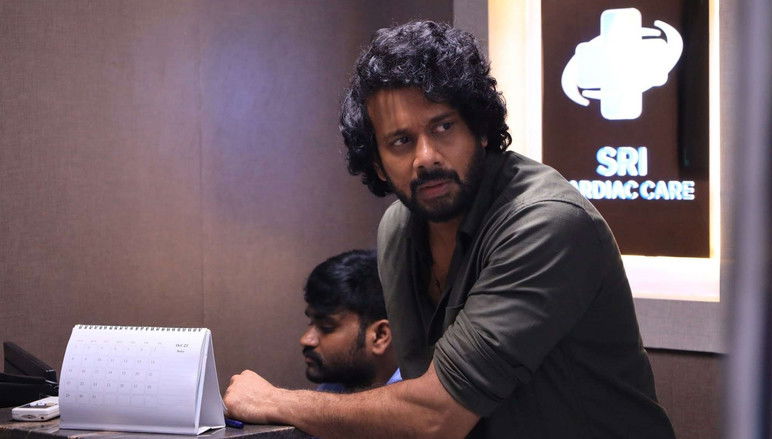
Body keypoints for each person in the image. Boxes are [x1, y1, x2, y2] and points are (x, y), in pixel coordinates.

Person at [224, 20, 676, 438]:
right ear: (378, 164)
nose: (426, 157)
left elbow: (436, 416)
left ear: (481, 130)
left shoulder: (546, 221)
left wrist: (276, 402)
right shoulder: (399, 228)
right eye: (401, 141)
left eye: (443, 127)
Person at [300, 250, 400, 393]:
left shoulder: (423, 399)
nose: (305, 340)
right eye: (311, 322)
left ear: (380, 336)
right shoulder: (335, 386)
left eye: (326, 327)